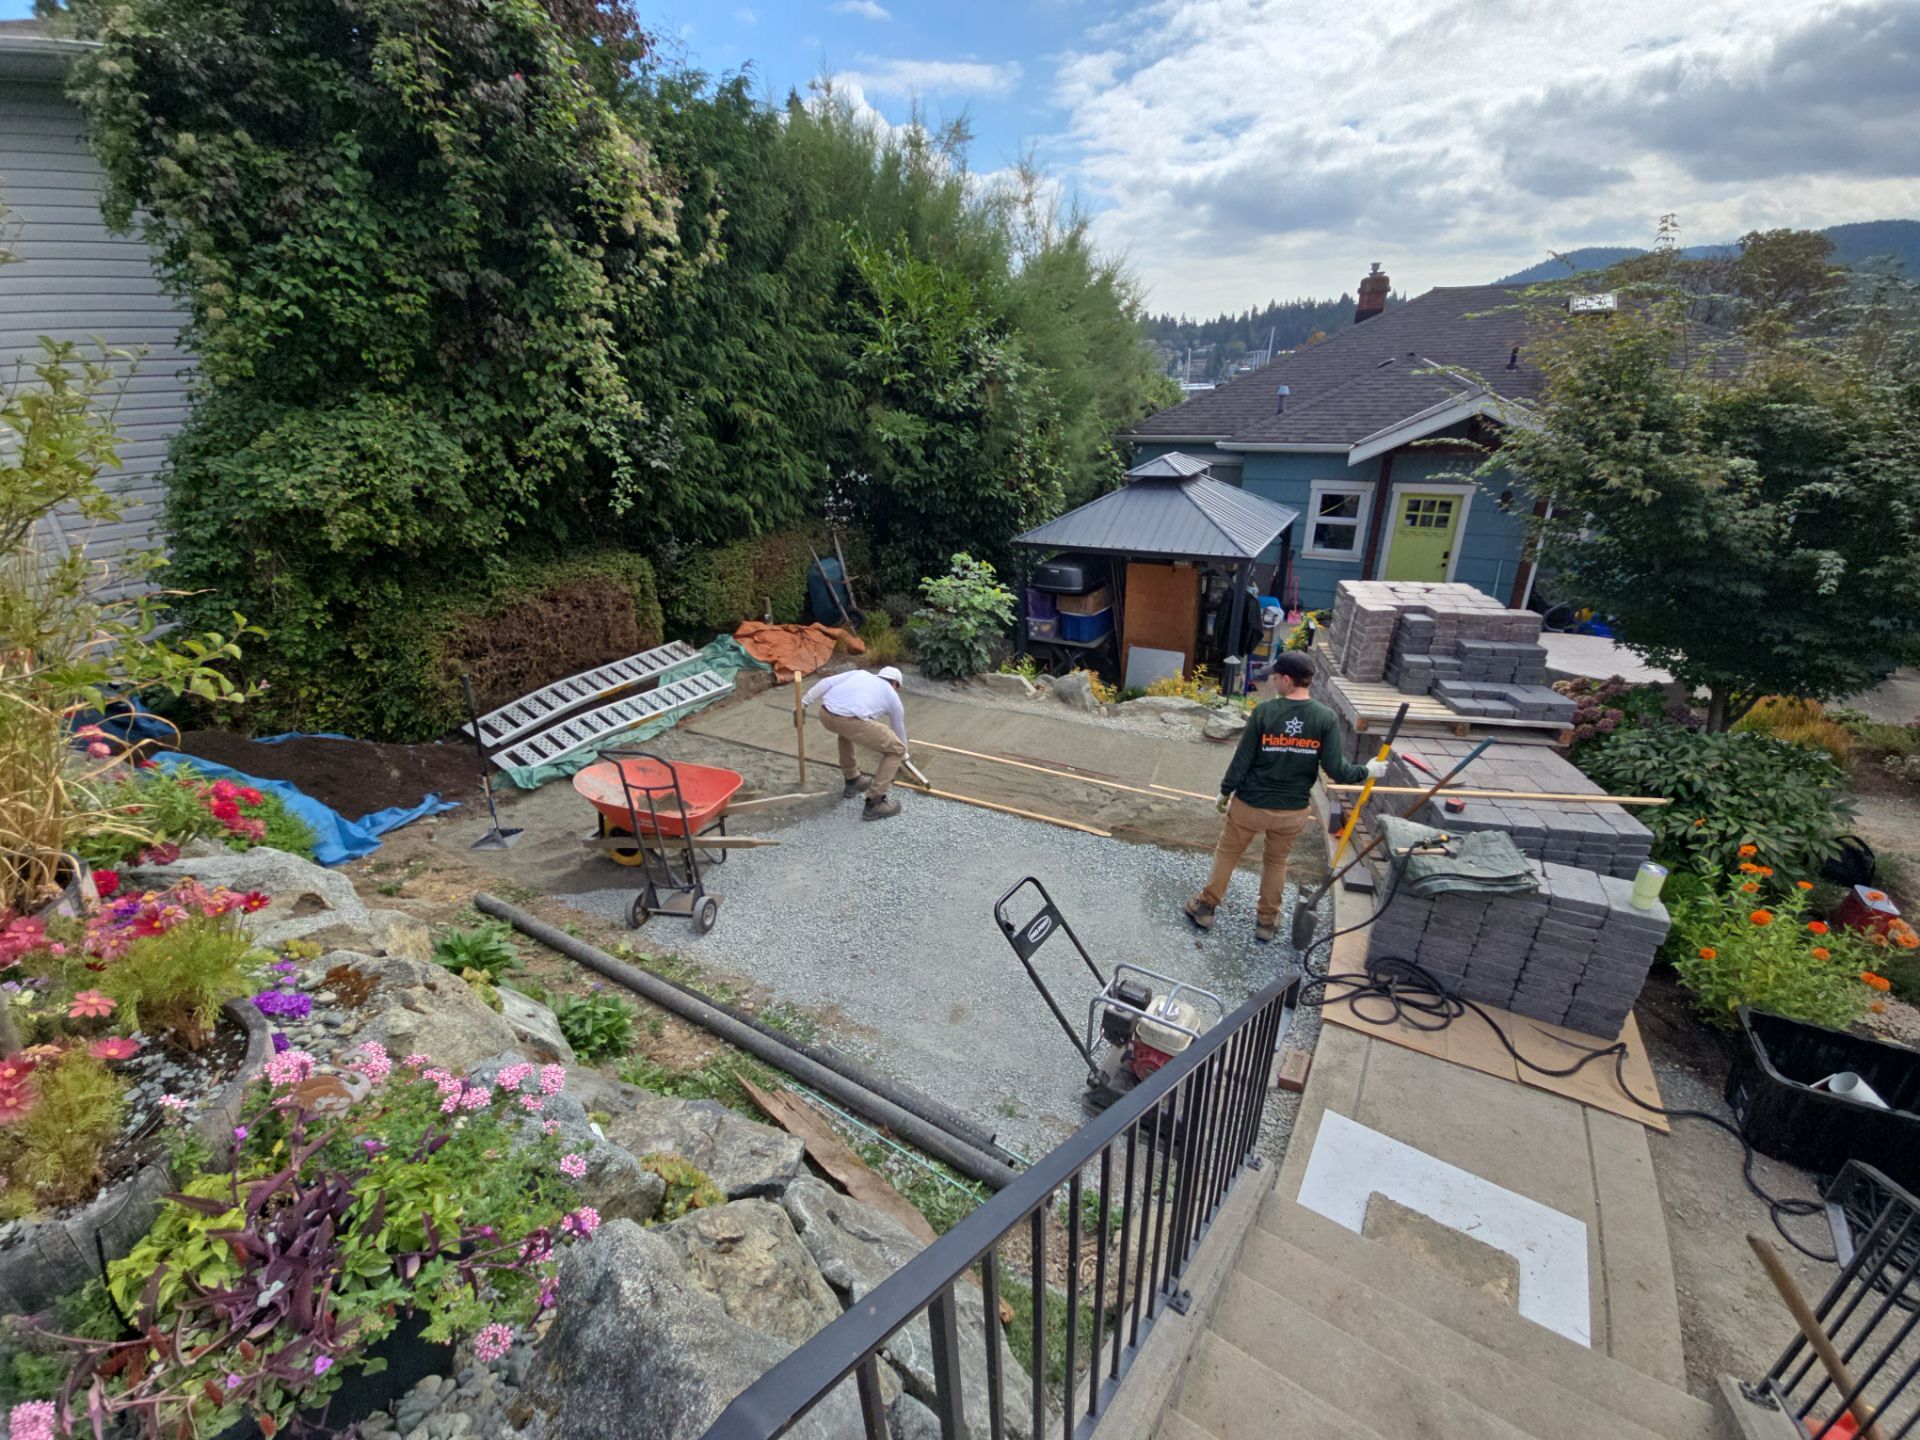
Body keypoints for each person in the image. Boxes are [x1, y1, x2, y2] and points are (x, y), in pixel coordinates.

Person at [1185, 650, 1386, 943]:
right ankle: (1266, 922)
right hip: (1292, 811)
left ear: (1288, 680)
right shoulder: (1325, 718)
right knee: (1276, 862)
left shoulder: (1265, 713)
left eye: (1276, 677)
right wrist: (1367, 771)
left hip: (1251, 804)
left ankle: (1205, 907)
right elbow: (1337, 769)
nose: (1273, 681)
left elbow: (1242, 759)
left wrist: (1226, 791)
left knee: (1228, 853)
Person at [802, 664, 910, 821]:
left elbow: (826, 683)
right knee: (897, 750)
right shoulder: (893, 696)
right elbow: (899, 730)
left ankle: (853, 779)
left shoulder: (859, 674)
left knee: (846, 732)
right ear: (896, 684)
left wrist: (803, 702)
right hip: (849, 721)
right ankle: (875, 802)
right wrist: (904, 753)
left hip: (825, 714)